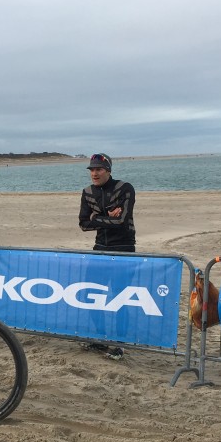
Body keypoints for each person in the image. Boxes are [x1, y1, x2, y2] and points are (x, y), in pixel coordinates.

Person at [78, 152, 136, 360]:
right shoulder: (87, 192)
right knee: (93, 293)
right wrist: (104, 217)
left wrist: (96, 217)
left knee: (120, 296)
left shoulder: (124, 188)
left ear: (108, 170)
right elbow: (83, 224)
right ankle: (100, 339)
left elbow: (122, 221)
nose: (94, 173)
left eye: (98, 169)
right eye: (91, 169)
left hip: (124, 247)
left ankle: (119, 344)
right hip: (100, 247)